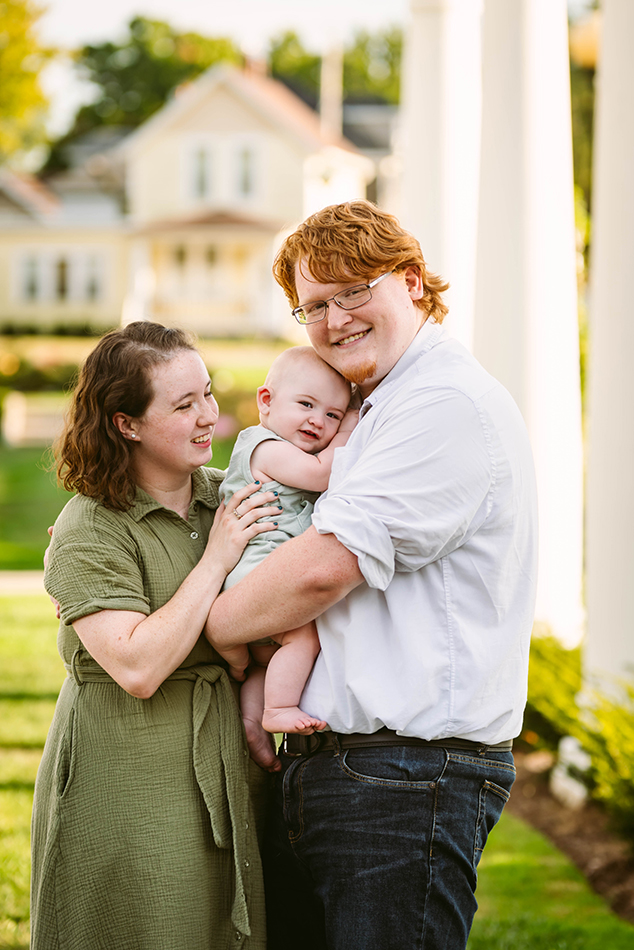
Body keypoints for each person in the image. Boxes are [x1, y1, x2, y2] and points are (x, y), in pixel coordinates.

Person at [204, 200, 539, 950]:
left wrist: (217, 624)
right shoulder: (375, 406)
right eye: (312, 305)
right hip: (344, 770)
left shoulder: (442, 403)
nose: (334, 319)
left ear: (413, 282)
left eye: (354, 291)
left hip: (405, 783)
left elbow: (322, 571)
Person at [32, 322, 281, 950]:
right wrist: (217, 561)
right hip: (126, 777)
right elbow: (138, 667)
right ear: (126, 424)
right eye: (183, 404)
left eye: (207, 393)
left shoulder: (227, 495)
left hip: (227, 767)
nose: (208, 416)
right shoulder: (91, 526)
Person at [213, 346, 357, 771]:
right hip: (258, 575)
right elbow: (318, 474)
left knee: (266, 660)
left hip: (254, 580)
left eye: (333, 414)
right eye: (307, 405)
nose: (319, 420)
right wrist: (350, 430)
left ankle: (252, 720)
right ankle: (278, 710)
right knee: (302, 638)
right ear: (266, 402)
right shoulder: (263, 447)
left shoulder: (279, 447)